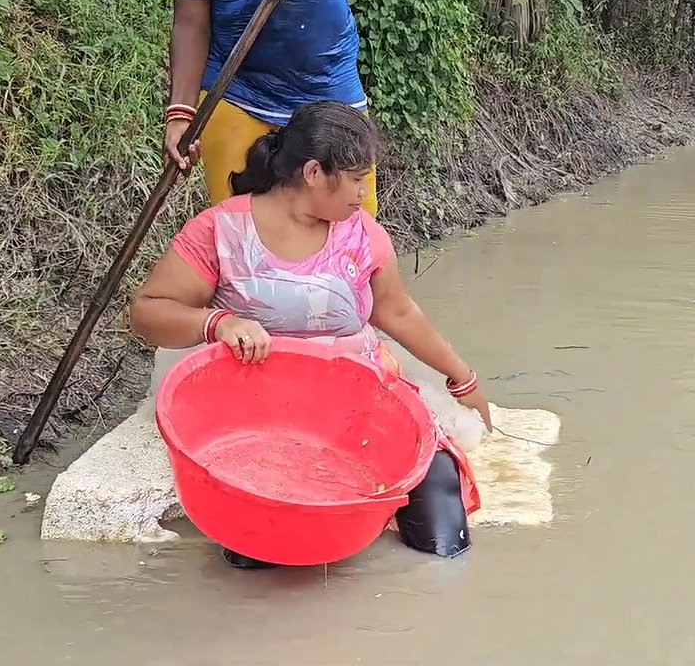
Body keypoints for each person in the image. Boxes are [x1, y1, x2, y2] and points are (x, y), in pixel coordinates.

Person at [128, 101, 492, 567]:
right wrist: (218, 323)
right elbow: (147, 311)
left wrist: (463, 380)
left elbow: (397, 312)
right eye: (357, 180)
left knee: (440, 517)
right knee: (261, 552)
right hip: (256, 410)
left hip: (350, 404)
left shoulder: (363, 235)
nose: (364, 194)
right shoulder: (223, 230)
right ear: (315, 172)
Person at [161, 0, 405, 217]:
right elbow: (189, 20)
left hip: (328, 90)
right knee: (245, 245)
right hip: (236, 93)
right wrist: (180, 114)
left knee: (350, 241)